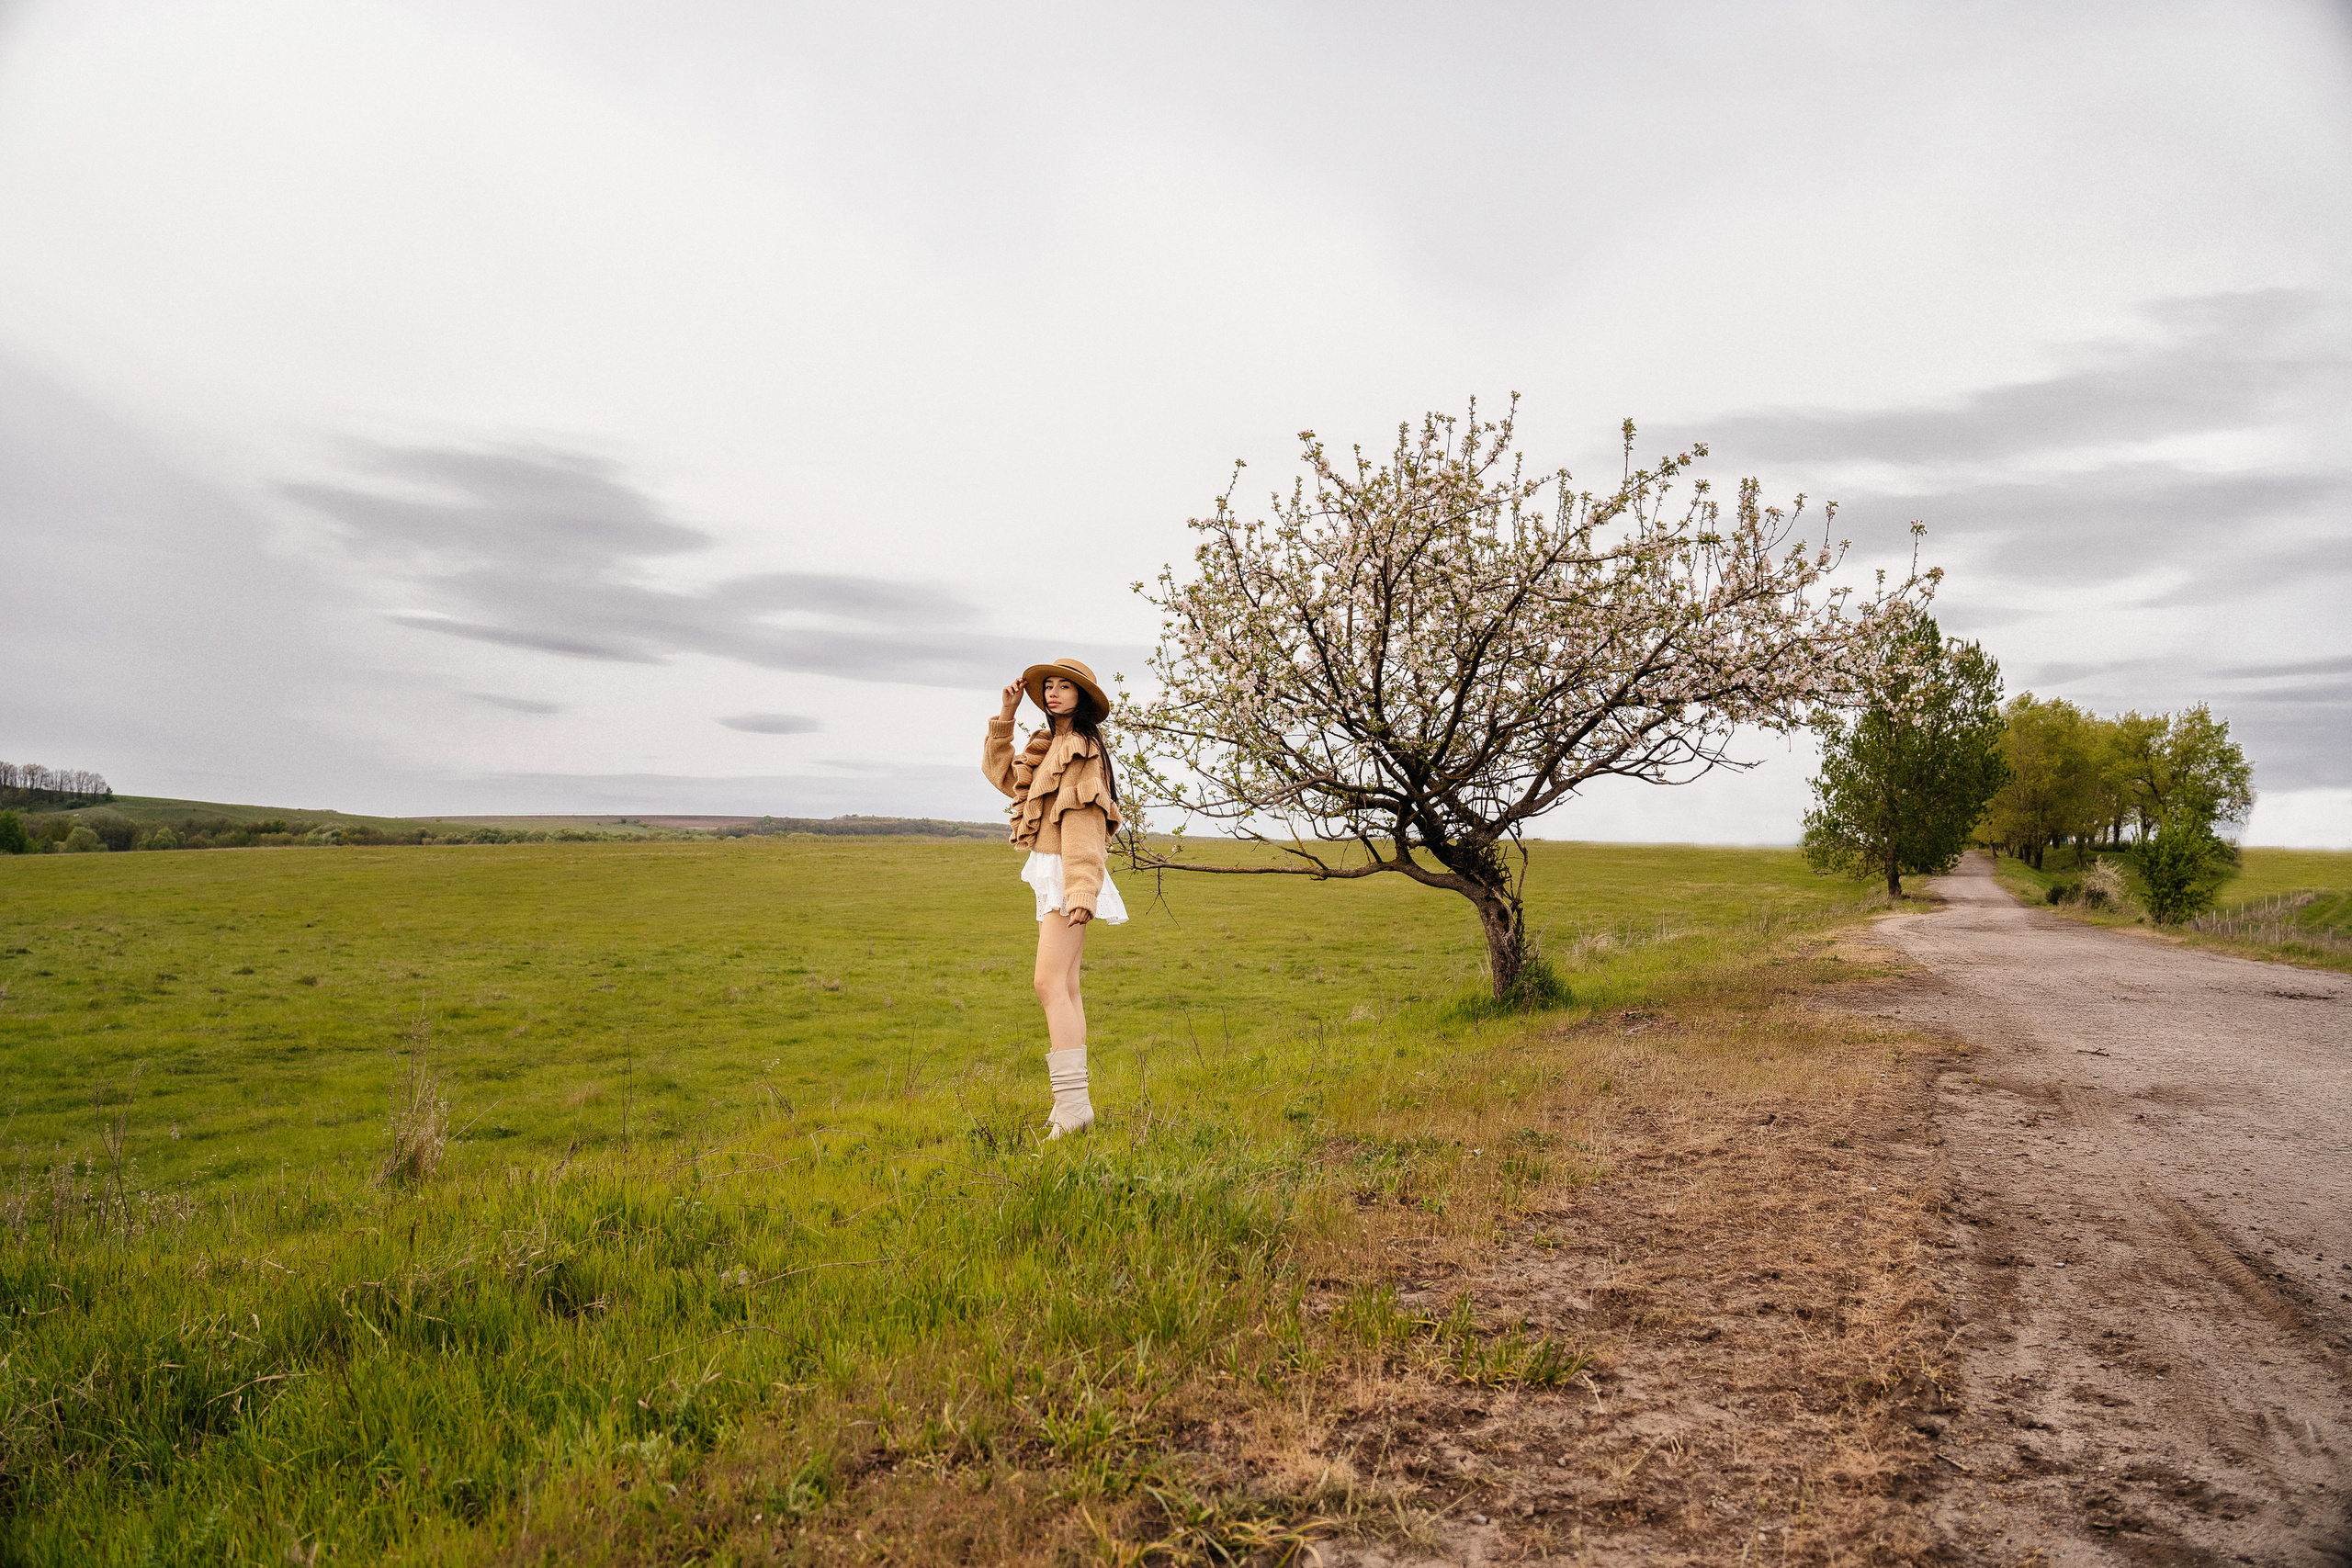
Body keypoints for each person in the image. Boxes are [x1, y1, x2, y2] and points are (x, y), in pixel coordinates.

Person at [983, 657, 1128, 1138]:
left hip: (1070, 872)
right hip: (1054, 869)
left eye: (1066, 687)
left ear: (1082, 698)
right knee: (1065, 987)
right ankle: (1074, 1107)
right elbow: (1006, 778)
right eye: (1049, 686)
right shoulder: (1048, 746)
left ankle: (1071, 1107)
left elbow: (1085, 824)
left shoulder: (1082, 749)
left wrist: (1082, 888)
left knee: (1047, 984)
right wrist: (1005, 717)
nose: (1054, 693)